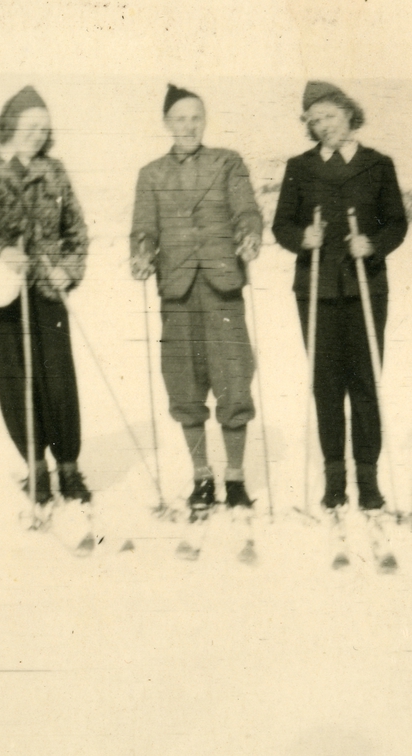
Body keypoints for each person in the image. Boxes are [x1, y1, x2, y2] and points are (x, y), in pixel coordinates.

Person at [0, 85, 92, 506]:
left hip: (46, 287)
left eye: (44, 128)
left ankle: (68, 467)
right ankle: (36, 469)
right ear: (9, 124)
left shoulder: (55, 170)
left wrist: (69, 269)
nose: (37, 134)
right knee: (13, 380)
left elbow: (76, 231)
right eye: (30, 126)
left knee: (58, 378)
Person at [273, 81, 408, 512]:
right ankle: (335, 478)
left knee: (365, 384)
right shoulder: (299, 166)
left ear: (349, 113)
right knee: (326, 386)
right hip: (316, 289)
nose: (322, 126)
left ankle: (367, 477)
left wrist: (373, 244)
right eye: (313, 121)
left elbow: (397, 223)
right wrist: (302, 237)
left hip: (366, 287)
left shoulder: (378, 164)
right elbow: (282, 225)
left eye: (328, 116)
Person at [130, 84, 263, 515]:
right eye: (180, 119)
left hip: (223, 286)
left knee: (233, 380)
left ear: (203, 122)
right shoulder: (150, 174)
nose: (188, 126)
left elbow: (246, 209)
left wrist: (249, 234)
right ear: (167, 124)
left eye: (195, 118)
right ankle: (202, 478)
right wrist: (142, 252)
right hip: (177, 291)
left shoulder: (227, 162)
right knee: (184, 385)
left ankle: (237, 479)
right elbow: (143, 228)